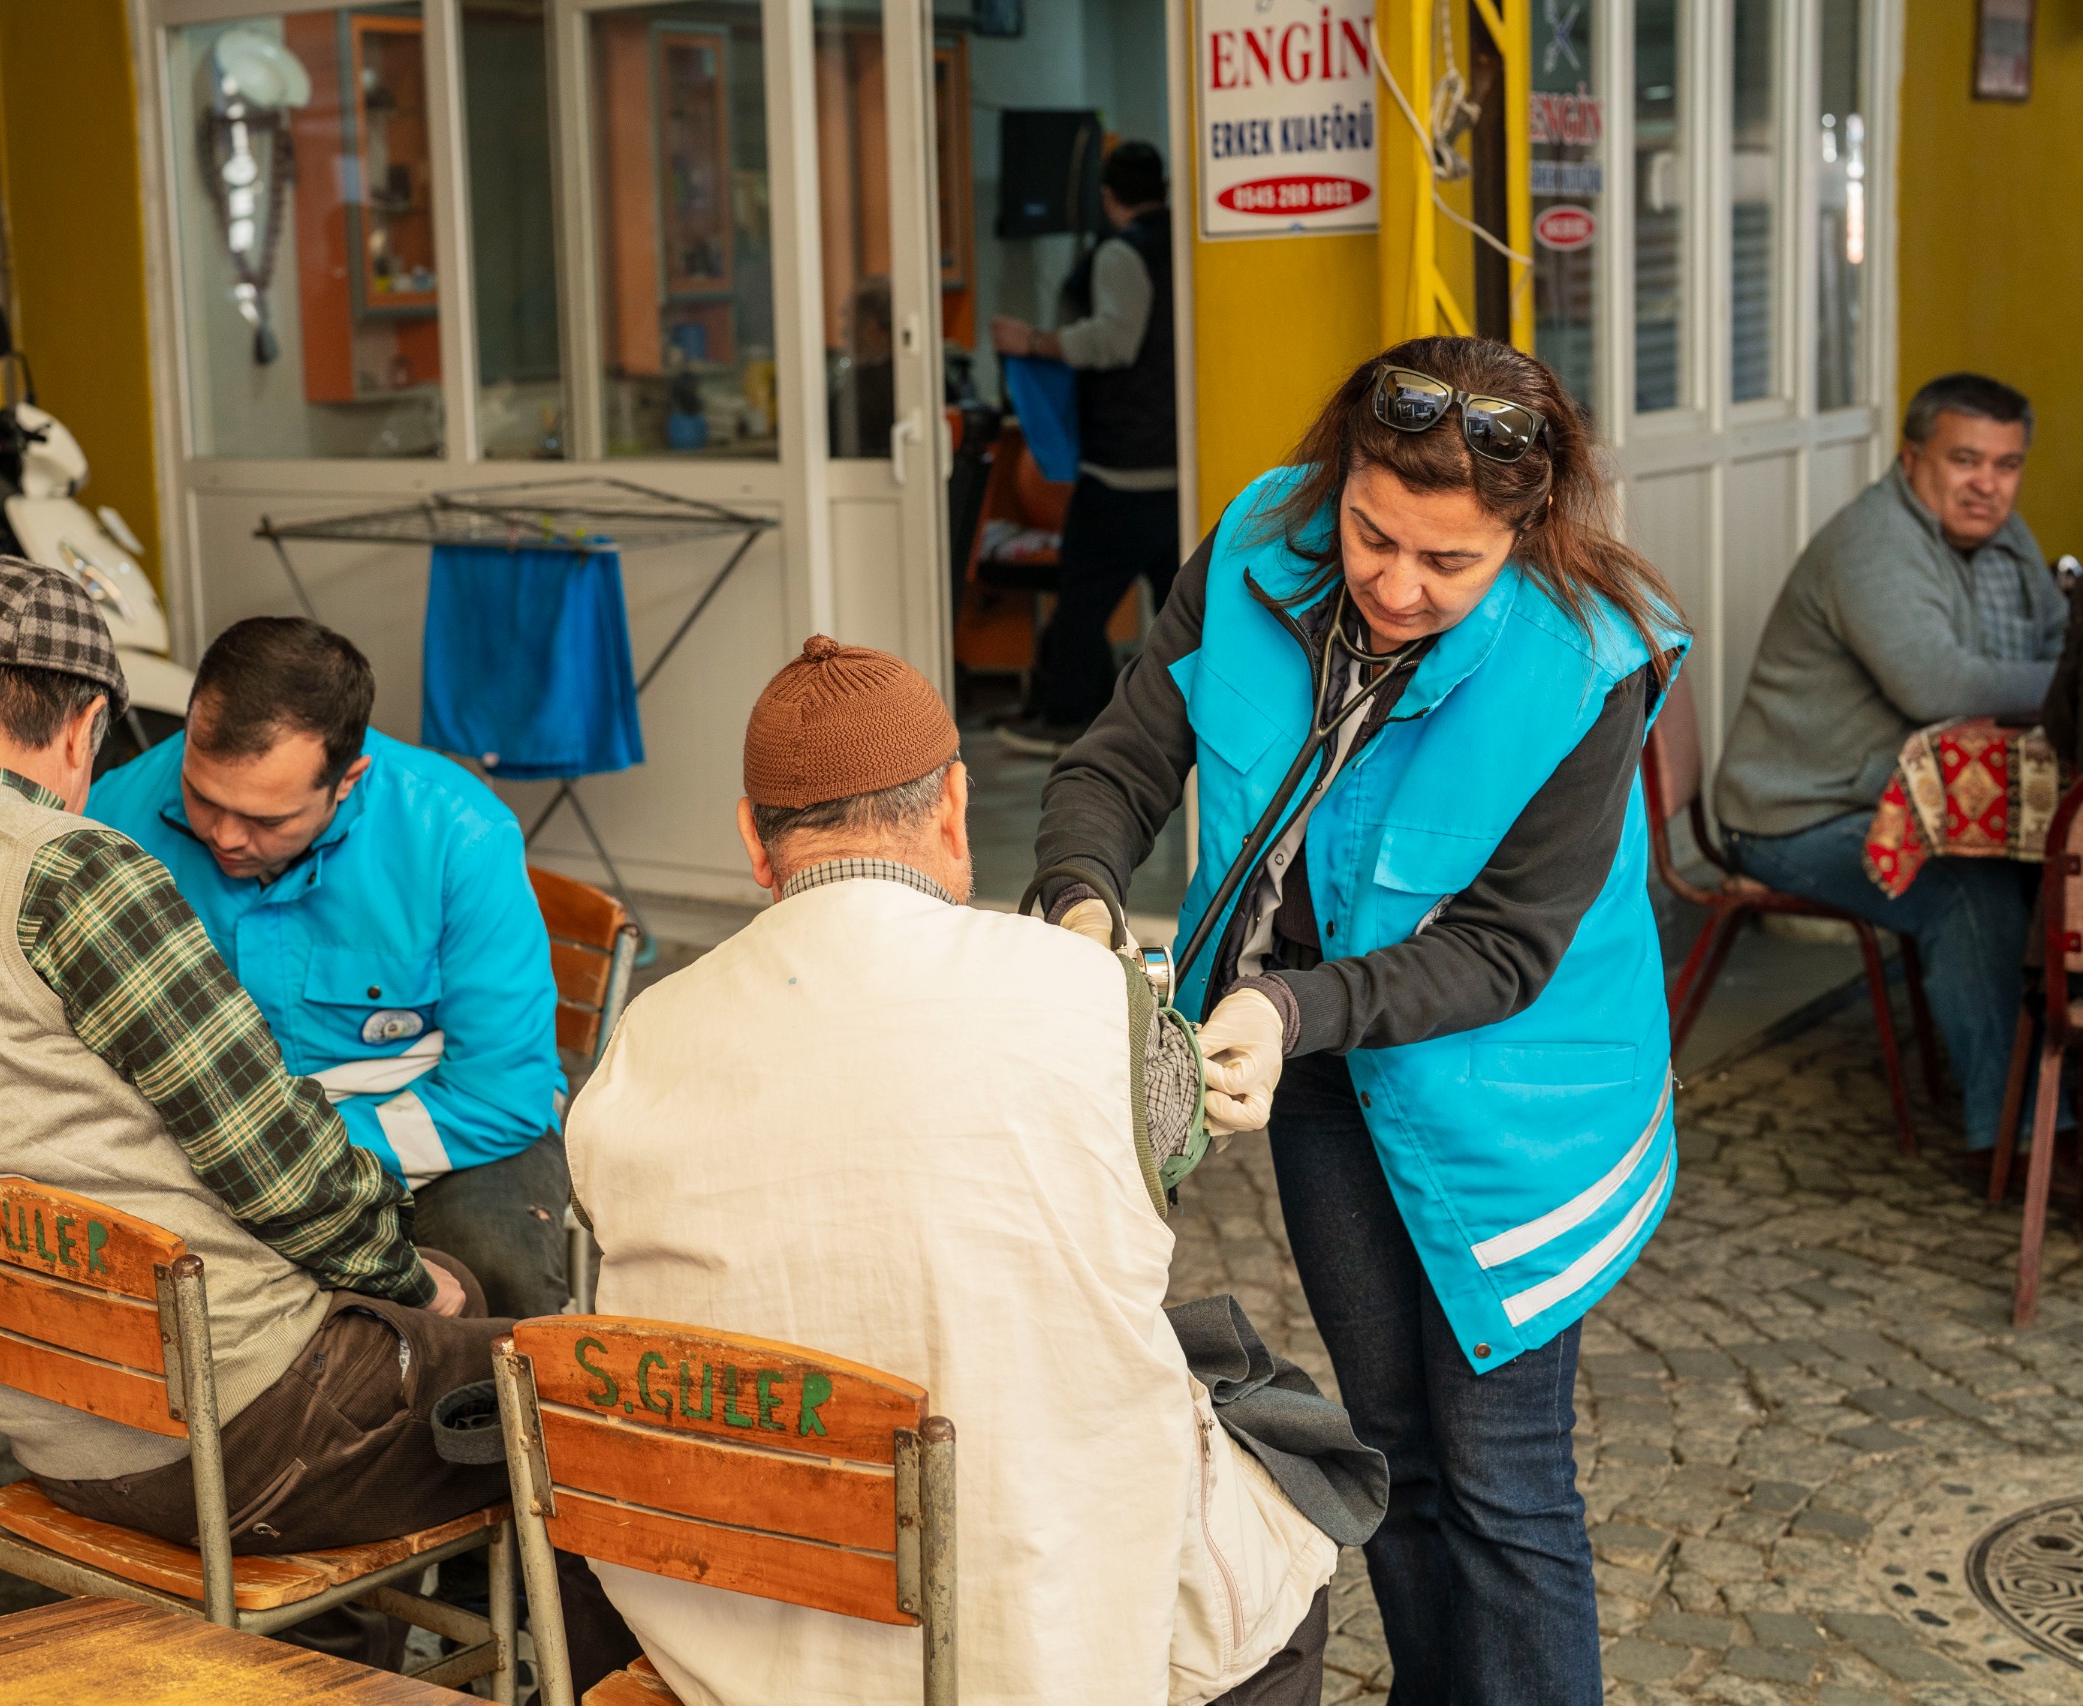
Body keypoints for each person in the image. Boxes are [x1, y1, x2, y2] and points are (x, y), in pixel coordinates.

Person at [1029, 337, 1688, 1702]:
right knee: (1389, 1438)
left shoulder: (1591, 661)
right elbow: (1125, 756)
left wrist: (1280, 1003)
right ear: (1339, 475)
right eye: (1372, 532)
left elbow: (1504, 950)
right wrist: (1081, 902)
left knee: (1504, 1478)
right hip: (1319, 1057)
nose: (1394, 585)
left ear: (1528, 529)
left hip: (1519, 1095)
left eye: (1448, 564)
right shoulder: (1258, 537)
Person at [566, 636, 1343, 1706]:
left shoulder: (639, 1042)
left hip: (735, 1631)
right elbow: (1165, 1148)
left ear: (755, 840)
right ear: (952, 806)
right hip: (1031, 1624)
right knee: (1282, 1570)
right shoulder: (1087, 997)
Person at [0, 557, 507, 1555]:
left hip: (47, 1439)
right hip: (243, 1426)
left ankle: (329, 1648)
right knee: (583, 1413)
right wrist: (413, 1283)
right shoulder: (74, 871)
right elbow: (286, 1174)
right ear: (82, 726)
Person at [87, 618, 570, 1316]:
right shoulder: (108, 822)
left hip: (440, 1124)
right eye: (203, 798)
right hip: (205, 1143)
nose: (224, 836)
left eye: (266, 820)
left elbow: (502, 1095)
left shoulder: (460, 835)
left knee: (494, 1287)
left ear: (348, 779)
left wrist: (299, 1162)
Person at [1714, 372, 2056, 1150]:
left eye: (2006, 466)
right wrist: (2073, 691)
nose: (1987, 485)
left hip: (1888, 797)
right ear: (1911, 459)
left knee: (2056, 868)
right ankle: (2023, 1134)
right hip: (1797, 814)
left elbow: (2049, 638)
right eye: (1965, 460)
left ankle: (2042, 1076)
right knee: (1971, 885)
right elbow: (1941, 685)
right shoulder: (1876, 545)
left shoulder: (2006, 539)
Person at [991, 138, 1179, 755]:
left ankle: (1067, 717)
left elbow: (1113, 342)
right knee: (1187, 609)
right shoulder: (1185, 246)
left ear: (1108, 196)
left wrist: (1034, 342)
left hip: (1123, 465)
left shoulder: (1121, 253)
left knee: (1081, 597)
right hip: (1179, 465)